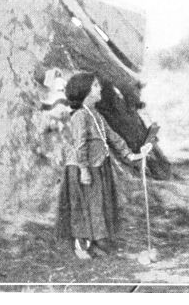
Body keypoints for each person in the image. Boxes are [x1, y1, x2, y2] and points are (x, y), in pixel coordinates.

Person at [55, 72, 152, 260]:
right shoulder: (80, 116)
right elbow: (80, 144)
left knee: (97, 205)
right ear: (86, 92)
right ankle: (81, 245)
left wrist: (130, 155)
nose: (100, 89)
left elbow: (113, 137)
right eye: (96, 86)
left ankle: (97, 241)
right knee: (83, 206)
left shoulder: (96, 115)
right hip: (82, 169)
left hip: (98, 167)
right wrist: (83, 169)